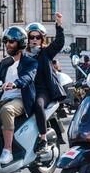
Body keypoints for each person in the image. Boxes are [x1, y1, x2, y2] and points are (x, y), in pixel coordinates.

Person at [0, 26, 38, 165]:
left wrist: (15, 83)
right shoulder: (5, 62)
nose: (7, 45)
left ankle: (7, 150)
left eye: (11, 41)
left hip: (21, 98)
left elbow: (29, 76)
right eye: (6, 42)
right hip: (4, 98)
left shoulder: (30, 61)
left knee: (7, 111)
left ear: (21, 42)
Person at [25, 13, 66, 154]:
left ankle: (43, 139)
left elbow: (59, 43)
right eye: (32, 37)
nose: (34, 40)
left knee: (38, 104)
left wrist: (59, 25)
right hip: (25, 89)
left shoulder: (46, 52)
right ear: (27, 39)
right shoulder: (23, 54)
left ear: (42, 39)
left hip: (42, 91)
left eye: (38, 37)